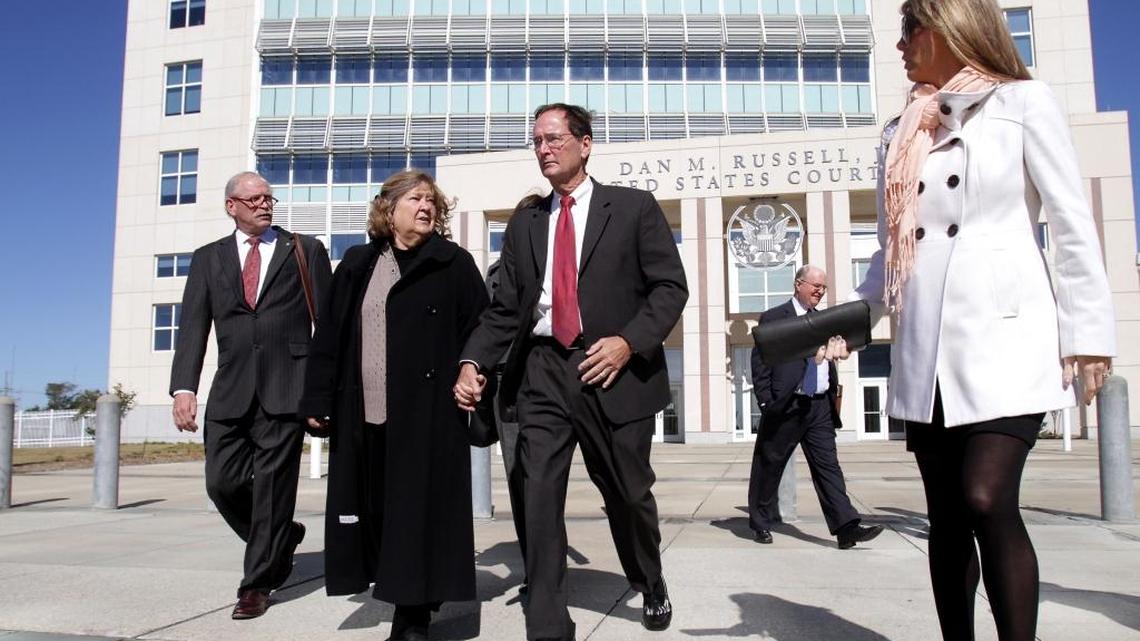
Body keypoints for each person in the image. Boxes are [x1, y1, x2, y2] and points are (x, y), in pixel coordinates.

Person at [851, 1, 1115, 639]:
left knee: (986, 498)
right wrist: (848, 323)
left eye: (909, 31)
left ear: (946, 28)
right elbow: (893, 250)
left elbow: (1071, 223)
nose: (900, 47)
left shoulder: (1024, 101)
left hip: (1004, 336)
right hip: (924, 344)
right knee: (946, 515)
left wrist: (1089, 336)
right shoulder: (899, 131)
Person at [454, 103, 688, 641]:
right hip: (541, 371)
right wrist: (473, 361)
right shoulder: (527, 221)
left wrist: (629, 342)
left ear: (585, 144)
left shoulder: (632, 208)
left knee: (628, 494)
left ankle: (649, 581)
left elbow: (670, 288)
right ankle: (549, 624)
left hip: (612, 371)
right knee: (536, 493)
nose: (543, 149)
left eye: (554, 138)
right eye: (536, 141)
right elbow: (506, 308)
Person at [298, 170, 488, 641]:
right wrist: (318, 396)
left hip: (427, 416)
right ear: (389, 208)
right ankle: (403, 588)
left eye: (432, 200)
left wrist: (473, 368)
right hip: (363, 411)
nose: (426, 206)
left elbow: (482, 328)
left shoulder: (453, 262)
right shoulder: (358, 263)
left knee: (414, 515)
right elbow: (331, 337)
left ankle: (412, 614)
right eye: (416, 199)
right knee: (375, 512)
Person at [169, 171, 332, 619]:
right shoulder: (208, 259)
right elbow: (193, 330)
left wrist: (323, 392)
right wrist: (184, 388)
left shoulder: (304, 250)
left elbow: (329, 327)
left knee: (274, 491)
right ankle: (281, 537)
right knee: (221, 483)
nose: (265, 204)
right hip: (230, 391)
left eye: (269, 198)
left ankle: (256, 583)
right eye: (254, 198)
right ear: (231, 206)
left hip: (288, 388)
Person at [747, 264, 883, 549]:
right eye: (815, 286)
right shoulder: (775, 317)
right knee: (770, 465)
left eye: (824, 288)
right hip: (787, 404)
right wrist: (765, 400)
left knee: (828, 467)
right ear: (799, 284)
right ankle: (760, 522)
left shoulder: (825, 321)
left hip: (819, 405)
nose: (820, 292)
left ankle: (847, 528)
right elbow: (761, 361)